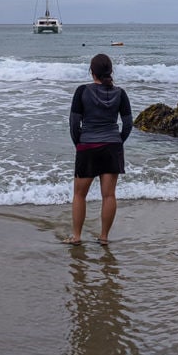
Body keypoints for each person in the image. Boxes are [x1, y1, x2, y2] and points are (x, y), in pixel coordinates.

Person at [64, 53, 133, 246]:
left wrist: (79, 144)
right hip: (112, 147)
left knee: (79, 195)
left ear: (91, 71)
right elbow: (128, 124)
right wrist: (118, 142)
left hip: (88, 146)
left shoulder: (82, 91)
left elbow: (74, 122)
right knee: (109, 195)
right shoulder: (120, 93)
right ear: (110, 71)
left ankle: (76, 237)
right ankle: (104, 237)